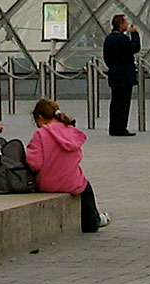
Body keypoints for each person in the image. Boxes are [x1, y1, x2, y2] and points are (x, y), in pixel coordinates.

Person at [25, 98, 107, 232]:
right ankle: (93, 221)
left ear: (40, 117)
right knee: (86, 188)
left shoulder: (41, 134)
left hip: (47, 183)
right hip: (72, 182)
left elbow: (35, 164)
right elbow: (78, 157)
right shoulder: (71, 131)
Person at [103, 14, 141, 136]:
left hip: (114, 73)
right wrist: (134, 34)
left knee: (115, 101)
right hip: (124, 74)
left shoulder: (109, 38)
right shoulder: (121, 39)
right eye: (125, 23)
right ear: (120, 25)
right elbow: (134, 48)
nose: (127, 25)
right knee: (124, 102)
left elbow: (106, 57)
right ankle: (121, 127)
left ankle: (113, 127)